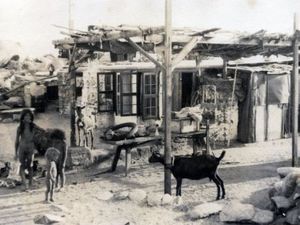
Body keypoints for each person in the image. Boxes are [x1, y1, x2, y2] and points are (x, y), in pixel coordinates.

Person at [15, 109, 36, 190]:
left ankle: (30, 183)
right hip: (22, 147)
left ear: (31, 117)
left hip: (31, 148)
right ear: (23, 118)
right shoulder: (20, 128)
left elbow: (37, 138)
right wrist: (15, 152)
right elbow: (17, 141)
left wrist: (36, 148)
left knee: (30, 166)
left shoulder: (33, 127)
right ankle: (25, 184)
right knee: (22, 166)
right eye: (26, 116)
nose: (27, 117)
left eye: (29, 116)